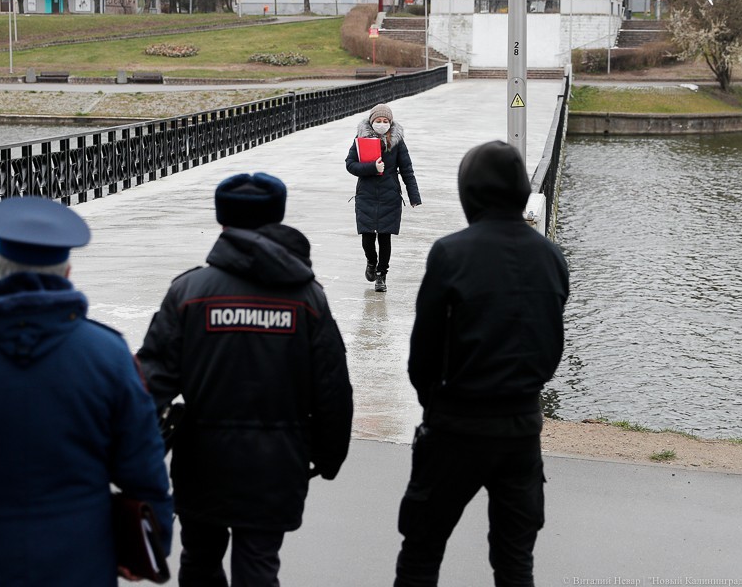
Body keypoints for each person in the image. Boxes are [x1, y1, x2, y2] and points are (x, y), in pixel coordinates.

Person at [0, 197, 173, 587]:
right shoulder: (110, 356)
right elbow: (144, 468)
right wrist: (152, 545)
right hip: (83, 563)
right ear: (67, 272)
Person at [137, 172, 354, 587]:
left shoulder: (190, 291)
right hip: (278, 461)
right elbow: (332, 388)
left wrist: (133, 455)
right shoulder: (308, 298)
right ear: (278, 218)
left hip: (202, 458)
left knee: (199, 560)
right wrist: (329, 457)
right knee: (259, 564)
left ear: (221, 221)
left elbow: (153, 381)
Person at [394, 141, 569, 587]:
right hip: (522, 426)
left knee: (422, 550)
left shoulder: (451, 253)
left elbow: (423, 353)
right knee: (514, 561)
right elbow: (551, 346)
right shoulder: (550, 257)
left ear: (467, 191)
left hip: (457, 423)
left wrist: (434, 401)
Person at [345, 103, 422, 292]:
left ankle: (382, 275)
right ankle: (371, 261)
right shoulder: (360, 139)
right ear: (372, 122)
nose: (382, 124)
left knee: (385, 237)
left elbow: (407, 169)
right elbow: (350, 164)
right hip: (366, 195)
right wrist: (372, 168)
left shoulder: (397, 142)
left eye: (385, 121)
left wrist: (414, 195)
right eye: (378, 121)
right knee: (367, 237)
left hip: (390, 195)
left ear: (390, 122)